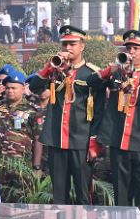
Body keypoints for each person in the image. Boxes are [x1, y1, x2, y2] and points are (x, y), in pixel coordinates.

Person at [28, 25, 107, 204]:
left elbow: (100, 110)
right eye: (64, 45)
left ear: (82, 46)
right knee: (59, 195)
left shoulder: (92, 73)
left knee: (83, 193)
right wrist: (49, 67)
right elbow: (33, 87)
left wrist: (94, 141)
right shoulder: (55, 70)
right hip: (56, 139)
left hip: (81, 140)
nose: (68, 48)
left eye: (72, 44)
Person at [93, 30, 140, 206]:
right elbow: (91, 83)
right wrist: (111, 69)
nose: (131, 52)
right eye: (128, 48)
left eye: (136, 48)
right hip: (118, 142)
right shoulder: (116, 74)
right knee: (120, 193)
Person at [0, 71, 42, 182]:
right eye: (8, 88)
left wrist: (36, 166)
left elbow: (39, 139)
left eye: (14, 88)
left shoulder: (33, 111)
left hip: (22, 166)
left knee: (20, 197)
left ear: (23, 89)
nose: (10, 91)